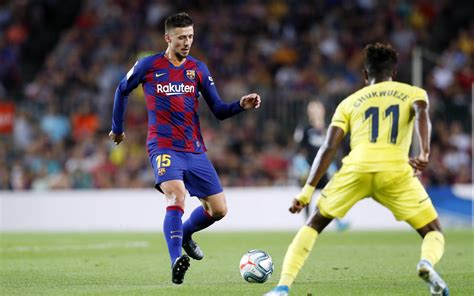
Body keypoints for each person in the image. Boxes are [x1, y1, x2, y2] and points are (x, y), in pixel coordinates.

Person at [265, 43, 449, 296]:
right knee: (433, 231)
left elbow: (329, 146)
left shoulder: (349, 102)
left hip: (356, 169)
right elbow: (421, 112)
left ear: (365, 74)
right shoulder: (413, 92)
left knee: (313, 224)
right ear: (393, 73)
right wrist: (425, 153)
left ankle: (282, 287)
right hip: (395, 170)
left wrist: (307, 191)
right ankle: (426, 263)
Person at [109, 12, 261, 285]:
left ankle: (187, 233)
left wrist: (241, 104)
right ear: (168, 38)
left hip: (194, 150)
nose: (187, 42)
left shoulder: (198, 69)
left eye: (190, 36)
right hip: (163, 147)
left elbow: (218, 110)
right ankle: (175, 259)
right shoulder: (148, 65)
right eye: (181, 38)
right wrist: (118, 128)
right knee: (176, 196)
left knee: (218, 210)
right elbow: (122, 90)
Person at [293, 101, 349, 231]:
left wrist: (334, 166)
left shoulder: (331, 127)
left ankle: (338, 221)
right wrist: (301, 166)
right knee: (307, 197)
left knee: (331, 195)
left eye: (317, 108)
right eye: (311, 109)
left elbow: (336, 148)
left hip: (326, 168)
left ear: (323, 110)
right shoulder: (305, 128)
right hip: (310, 169)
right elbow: (299, 149)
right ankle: (307, 223)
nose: (315, 111)